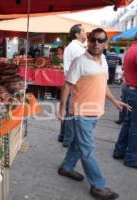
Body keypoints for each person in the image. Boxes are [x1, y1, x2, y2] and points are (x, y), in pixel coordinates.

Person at [58, 28, 130, 200]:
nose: (96, 43)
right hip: (81, 112)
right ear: (88, 40)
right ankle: (98, 186)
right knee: (87, 149)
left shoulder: (103, 60)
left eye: (100, 40)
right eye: (93, 39)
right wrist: (62, 108)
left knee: (77, 143)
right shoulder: (80, 61)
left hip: (95, 112)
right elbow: (67, 85)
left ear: (106, 43)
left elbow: (102, 83)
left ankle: (66, 167)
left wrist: (114, 100)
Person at [58, 24, 87, 147]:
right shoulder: (76, 48)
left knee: (69, 111)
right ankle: (68, 139)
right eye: (84, 31)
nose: (86, 33)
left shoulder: (75, 47)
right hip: (75, 84)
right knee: (71, 112)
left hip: (73, 82)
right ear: (77, 34)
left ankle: (63, 135)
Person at [113, 33, 137, 169]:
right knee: (135, 126)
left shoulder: (130, 49)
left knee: (128, 123)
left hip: (129, 89)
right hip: (135, 91)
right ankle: (132, 158)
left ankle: (119, 151)